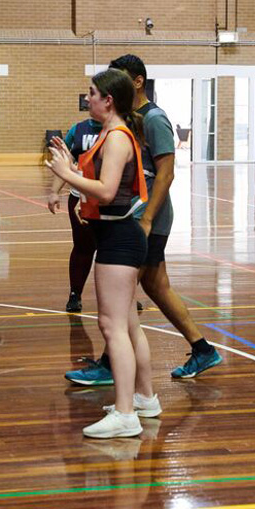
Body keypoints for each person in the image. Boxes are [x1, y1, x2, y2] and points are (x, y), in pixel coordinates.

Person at [65, 54, 222, 385]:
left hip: (148, 218)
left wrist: (148, 218)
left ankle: (114, 367)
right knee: (154, 284)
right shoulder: (131, 120)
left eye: (119, 79)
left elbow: (166, 174)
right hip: (136, 217)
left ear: (136, 82)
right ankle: (202, 349)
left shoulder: (153, 119)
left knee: (119, 297)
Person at [47, 68, 161, 438]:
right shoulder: (111, 135)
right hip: (118, 235)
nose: (88, 98)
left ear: (108, 100)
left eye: (92, 93)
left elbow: (107, 191)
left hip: (119, 240)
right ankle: (144, 398)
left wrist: (66, 173)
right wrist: (73, 170)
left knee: (111, 326)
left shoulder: (116, 138)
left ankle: (126, 414)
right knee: (128, 324)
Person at [48, 118, 102, 313]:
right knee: (83, 247)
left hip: (109, 200)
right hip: (80, 198)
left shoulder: (120, 127)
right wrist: (54, 191)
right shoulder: (78, 129)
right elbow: (66, 164)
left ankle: (125, 295)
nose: (89, 100)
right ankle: (75, 294)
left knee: (114, 248)